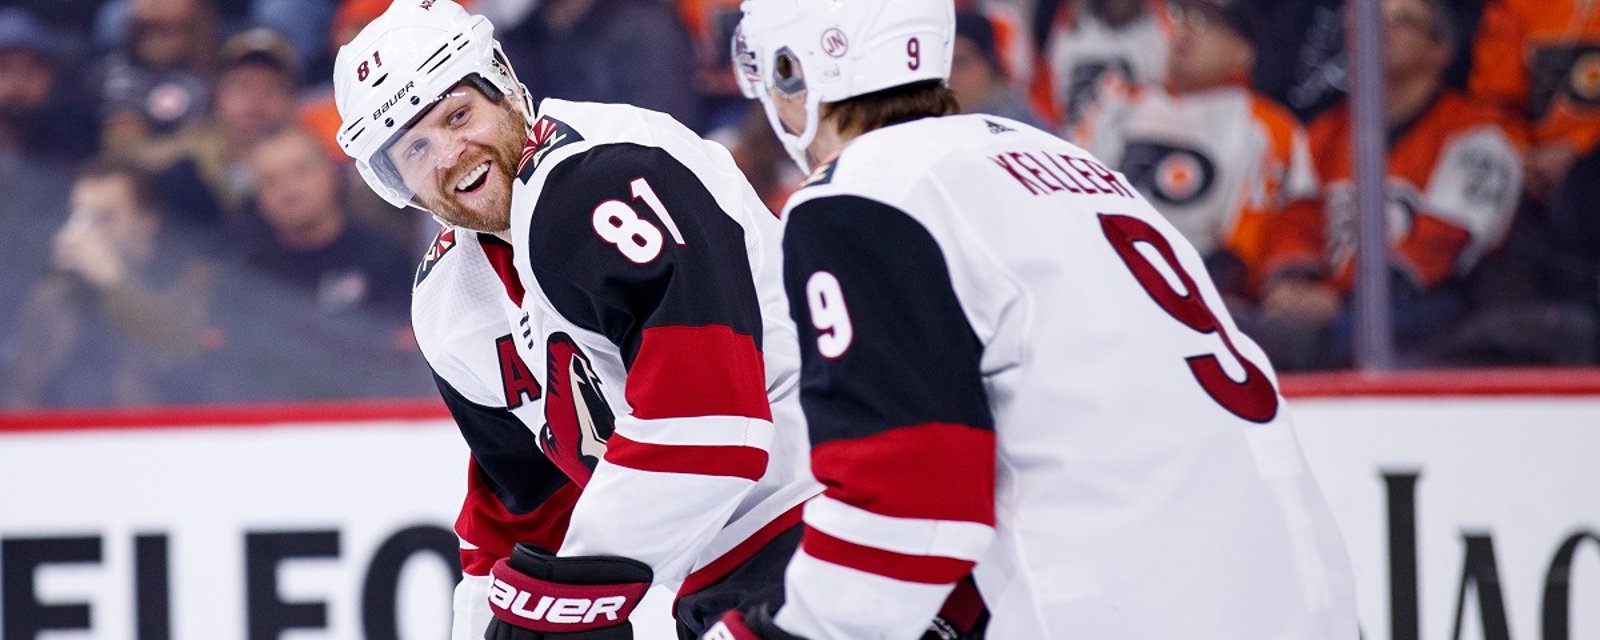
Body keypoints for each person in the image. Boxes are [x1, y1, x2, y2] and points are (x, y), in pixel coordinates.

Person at [707, 0, 1358, 637]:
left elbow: (912, 506)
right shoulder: (1069, 164)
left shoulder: (862, 195)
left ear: (796, 70)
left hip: (1130, 600)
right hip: (1302, 585)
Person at [332, 2, 821, 637]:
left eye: (459, 115)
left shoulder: (601, 175)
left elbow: (714, 427)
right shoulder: (450, 299)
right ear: (393, 182)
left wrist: (569, 593)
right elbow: (524, 512)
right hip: (716, 580)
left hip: (837, 515)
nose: (451, 154)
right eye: (417, 148)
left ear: (505, 86)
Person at [1256, 0, 1523, 369]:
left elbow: (1441, 243)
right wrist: (1292, 283)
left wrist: (1341, 300)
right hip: (1329, 305)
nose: (1381, 30)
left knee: (1334, 339)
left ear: (1440, 50)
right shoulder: (1326, 131)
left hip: (1436, 306)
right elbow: (1298, 220)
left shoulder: (1476, 134)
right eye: (1373, 21)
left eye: (1404, 22)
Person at [1091, 0, 1314, 300]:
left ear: (1244, 51)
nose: (1184, 29)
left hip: (1196, 299)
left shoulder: (1269, 127)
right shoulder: (1118, 103)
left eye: (1205, 21)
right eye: (1181, 14)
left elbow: (1241, 256)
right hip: (1100, 275)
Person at [0, 159, 219, 408]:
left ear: (147, 221)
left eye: (104, 218)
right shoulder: (55, 294)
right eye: (79, 217)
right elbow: (19, 387)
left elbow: (184, 356)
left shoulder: (193, 282)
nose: (87, 232)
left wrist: (115, 281)